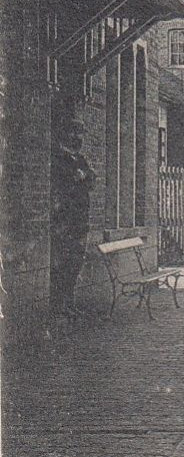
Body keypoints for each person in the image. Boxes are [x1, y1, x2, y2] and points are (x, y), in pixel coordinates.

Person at [49, 122, 96, 318]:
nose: (79, 138)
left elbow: (92, 179)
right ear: (67, 134)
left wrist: (84, 176)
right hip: (64, 219)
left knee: (76, 262)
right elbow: (62, 184)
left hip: (80, 219)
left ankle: (69, 301)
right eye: (75, 133)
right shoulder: (59, 158)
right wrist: (76, 177)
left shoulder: (80, 159)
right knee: (62, 262)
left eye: (80, 134)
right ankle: (58, 304)